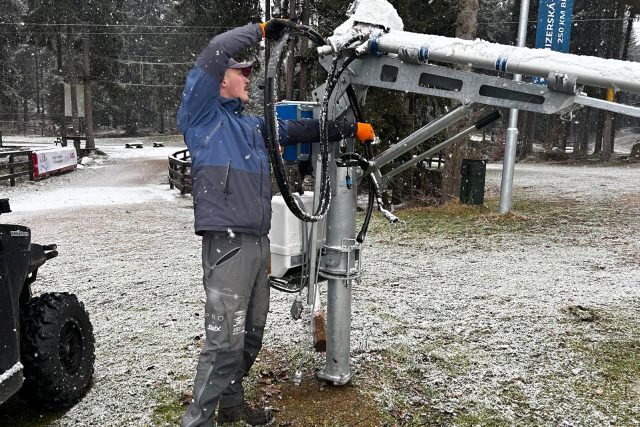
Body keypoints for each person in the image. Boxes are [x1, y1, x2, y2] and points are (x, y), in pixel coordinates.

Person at [177, 19, 374, 427]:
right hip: (227, 245)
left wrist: (348, 127)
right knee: (223, 338)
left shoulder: (251, 127)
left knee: (250, 334)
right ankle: (197, 419)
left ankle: (231, 406)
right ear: (219, 82)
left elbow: (302, 128)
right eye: (240, 72)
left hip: (257, 243)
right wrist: (262, 31)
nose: (248, 77)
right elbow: (215, 48)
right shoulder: (202, 119)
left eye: (251, 71)